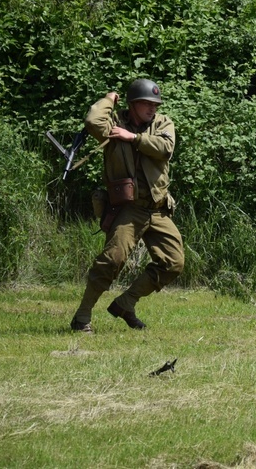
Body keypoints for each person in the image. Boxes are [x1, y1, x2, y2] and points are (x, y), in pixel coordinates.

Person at [69, 78, 185, 332]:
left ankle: (126, 303)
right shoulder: (114, 125)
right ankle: (82, 317)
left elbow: (165, 148)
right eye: (146, 104)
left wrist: (132, 138)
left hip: (158, 208)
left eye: (155, 104)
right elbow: (93, 122)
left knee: (173, 263)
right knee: (111, 260)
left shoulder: (162, 123)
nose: (152, 108)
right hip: (129, 209)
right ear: (132, 104)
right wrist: (109, 100)